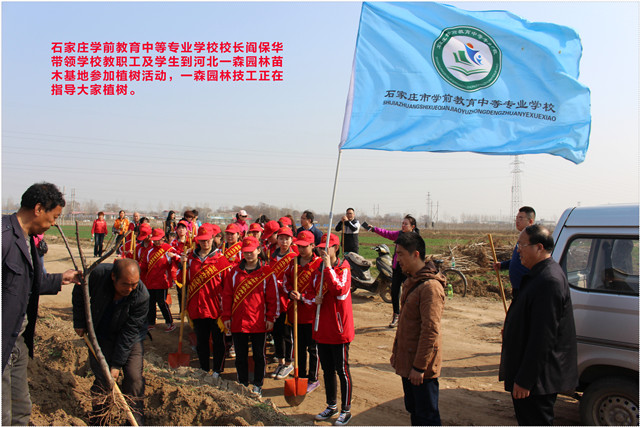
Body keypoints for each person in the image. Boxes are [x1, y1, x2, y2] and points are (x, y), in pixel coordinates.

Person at [2, 182, 81, 426]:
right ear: (38, 209)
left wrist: (62, 279)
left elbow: (27, 283)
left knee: (20, 409)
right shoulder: (4, 238)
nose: (54, 223)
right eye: (54, 216)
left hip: (17, 339)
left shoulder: (29, 241)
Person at [499, 224, 578, 425]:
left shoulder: (548, 280)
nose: (518, 251)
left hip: (537, 380)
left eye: (521, 246)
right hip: (533, 375)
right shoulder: (539, 274)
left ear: (539, 247)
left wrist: (525, 380)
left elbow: (543, 337)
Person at [72, 259, 149, 426]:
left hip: (131, 337)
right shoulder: (96, 275)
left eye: (134, 284)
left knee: (134, 378)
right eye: (125, 284)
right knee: (103, 378)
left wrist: (116, 365)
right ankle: (99, 420)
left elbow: (129, 333)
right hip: (100, 332)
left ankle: (135, 421)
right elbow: (79, 290)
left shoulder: (141, 296)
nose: (130, 289)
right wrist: (79, 321)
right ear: (113, 277)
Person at [391, 232, 446, 426]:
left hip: (421, 370)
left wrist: (419, 367)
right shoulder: (411, 280)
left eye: (400, 254)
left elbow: (430, 331)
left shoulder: (430, 287)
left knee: (426, 417)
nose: (397, 259)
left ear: (415, 254)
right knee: (415, 411)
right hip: (409, 363)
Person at [222, 236, 278, 397]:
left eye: (251, 251)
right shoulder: (234, 272)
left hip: (259, 322)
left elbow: (272, 298)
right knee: (240, 356)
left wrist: (270, 318)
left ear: (258, 251)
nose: (248, 254)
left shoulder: (267, 273)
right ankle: (242, 382)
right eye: (245, 252)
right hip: (238, 321)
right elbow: (227, 296)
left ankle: (258, 384)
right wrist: (226, 317)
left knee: (259, 355)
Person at [312, 233, 354, 426]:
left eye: (326, 248)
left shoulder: (343, 268)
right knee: (327, 370)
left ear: (335, 248)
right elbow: (312, 290)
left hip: (339, 329)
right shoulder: (317, 269)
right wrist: (315, 299)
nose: (322, 251)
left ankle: (346, 410)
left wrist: (328, 267)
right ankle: (331, 405)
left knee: (342, 370)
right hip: (322, 328)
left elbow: (339, 290)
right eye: (320, 248)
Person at [182, 225, 232, 375]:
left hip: (215, 308)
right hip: (196, 308)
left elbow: (228, 287)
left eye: (208, 240)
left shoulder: (221, 260)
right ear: (198, 241)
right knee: (201, 341)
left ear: (213, 239)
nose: (205, 243)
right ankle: (204, 368)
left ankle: (217, 370)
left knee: (218, 342)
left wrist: (226, 309)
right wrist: (181, 265)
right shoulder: (190, 259)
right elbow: (183, 280)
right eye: (202, 240)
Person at [362, 215, 419, 328]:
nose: (403, 225)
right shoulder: (399, 234)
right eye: (402, 223)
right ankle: (396, 315)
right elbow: (387, 233)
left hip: (409, 269)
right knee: (394, 291)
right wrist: (374, 229)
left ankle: (409, 317)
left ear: (412, 226)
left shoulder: (416, 239)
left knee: (410, 293)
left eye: (406, 224)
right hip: (397, 268)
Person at [285, 230, 323, 393]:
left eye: (304, 246)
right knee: (299, 349)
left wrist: (303, 297)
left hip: (313, 315)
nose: (301, 249)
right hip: (296, 314)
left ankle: (313, 378)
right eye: (299, 246)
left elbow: (321, 290)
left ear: (313, 246)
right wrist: (289, 292)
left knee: (313, 349)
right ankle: (301, 376)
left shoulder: (319, 264)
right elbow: (285, 282)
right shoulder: (293, 262)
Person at [269, 227, 298, 380]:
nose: (284, 241)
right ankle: (280, 361)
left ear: (291, 240)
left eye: (287, 239)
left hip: (286, 301)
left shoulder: (294, 257)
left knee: (287, 334)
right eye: (281, 238)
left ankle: (288, 362)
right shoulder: (272, 256)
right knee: (277, 333)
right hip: (274, 301)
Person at [493, 206, 536, 300]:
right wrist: (502, 265)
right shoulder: (522, 239)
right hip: (518, 288)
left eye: (521, 218)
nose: (517, 221)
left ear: (530, 221)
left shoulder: (533, 241)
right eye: (516, 218)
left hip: (527, 289)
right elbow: (518, 259)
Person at [143, 228, 176, 332]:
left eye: (159, 240)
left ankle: (170, 322)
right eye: (155, 240)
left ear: (163, 238)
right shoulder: (149, 251)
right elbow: (144, 265)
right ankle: (151, 322)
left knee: (162, 303)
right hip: (150, 282)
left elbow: (178, 258)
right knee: (151, 303)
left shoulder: (168, 249)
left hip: (162, 282)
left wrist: (174, 256)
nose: (156, 242)